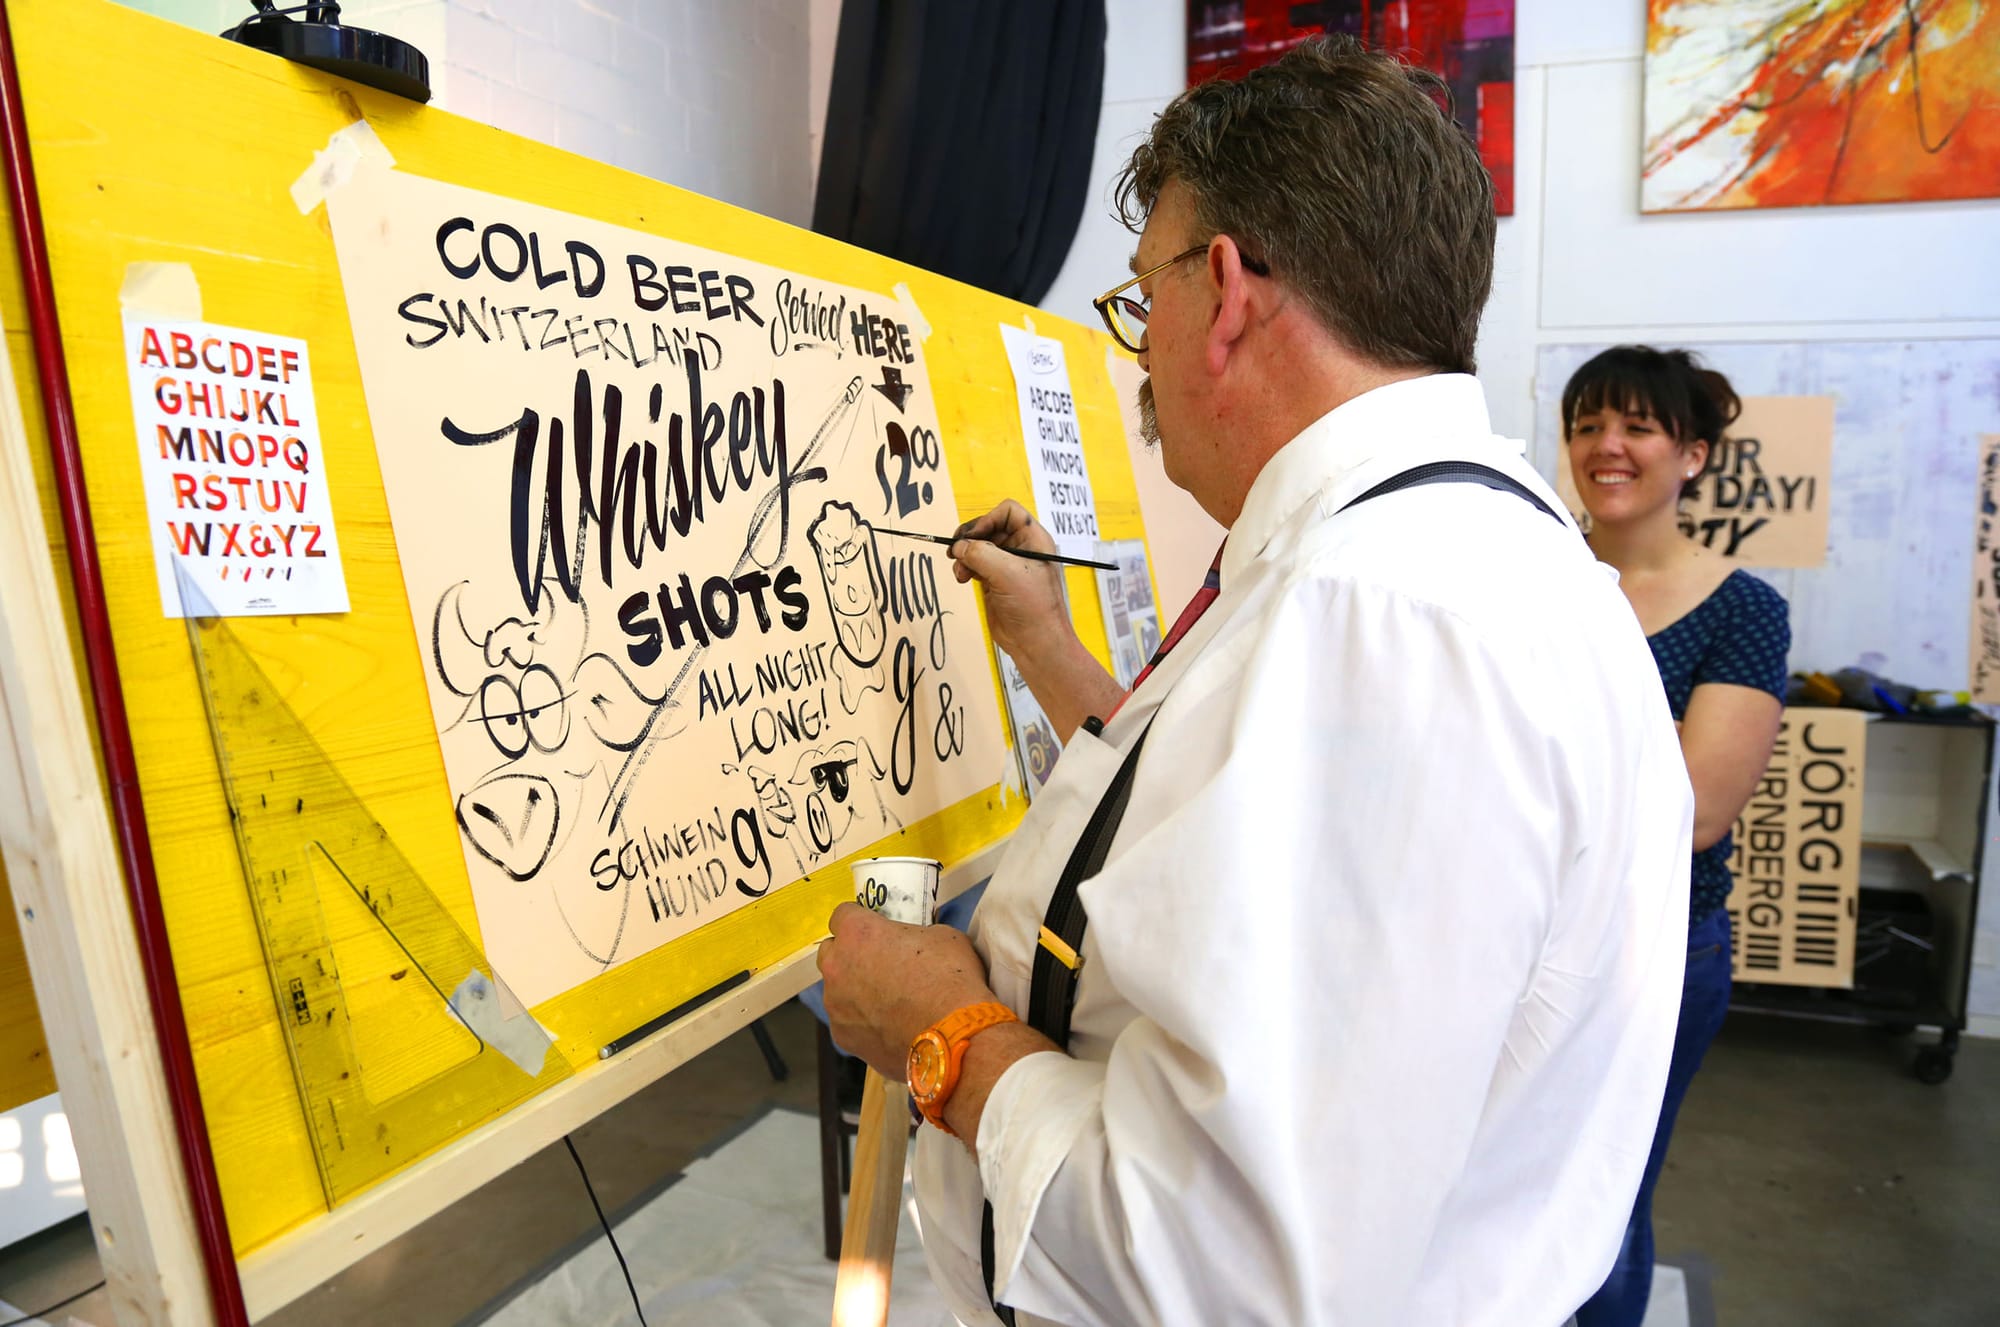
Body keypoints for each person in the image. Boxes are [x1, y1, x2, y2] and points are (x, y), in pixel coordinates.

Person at [817, 37, 1692, 1326]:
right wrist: (1045, 646)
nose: (1140, 359)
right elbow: (1208, 816)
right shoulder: (1445, 549)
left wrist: (941, 1035)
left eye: (1137, 304)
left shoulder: (1380, 616)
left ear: (1222, 291)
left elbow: (1217, 1267)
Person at [1562, 347, 1789, 1327]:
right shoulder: (1530, 572)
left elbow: (1696, 809)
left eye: (1635, 427)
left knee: (1600, 1203)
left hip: (1653, 949)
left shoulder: (1741, 608)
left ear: (1690, 453)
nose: (1604, 447)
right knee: (1503, 1194)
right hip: (1522, 933)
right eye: (1584, 425)